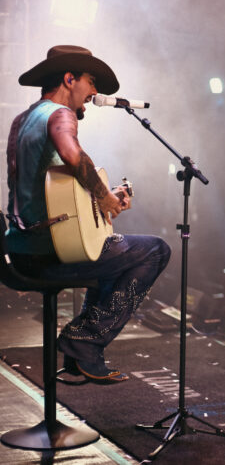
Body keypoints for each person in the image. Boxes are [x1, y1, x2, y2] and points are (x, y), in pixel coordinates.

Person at [5, 45, 171, 383]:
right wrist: (105, 197)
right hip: (48, 255)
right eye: (91, 82)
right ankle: (85, 341)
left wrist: (100, 205)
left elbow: (50, 191)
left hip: (19, 252)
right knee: (156, 250)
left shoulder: (22, 120)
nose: (93, 93)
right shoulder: (60, 114)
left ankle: (83, 348)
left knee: (112, 252)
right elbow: (74, 157)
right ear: (70, 79)